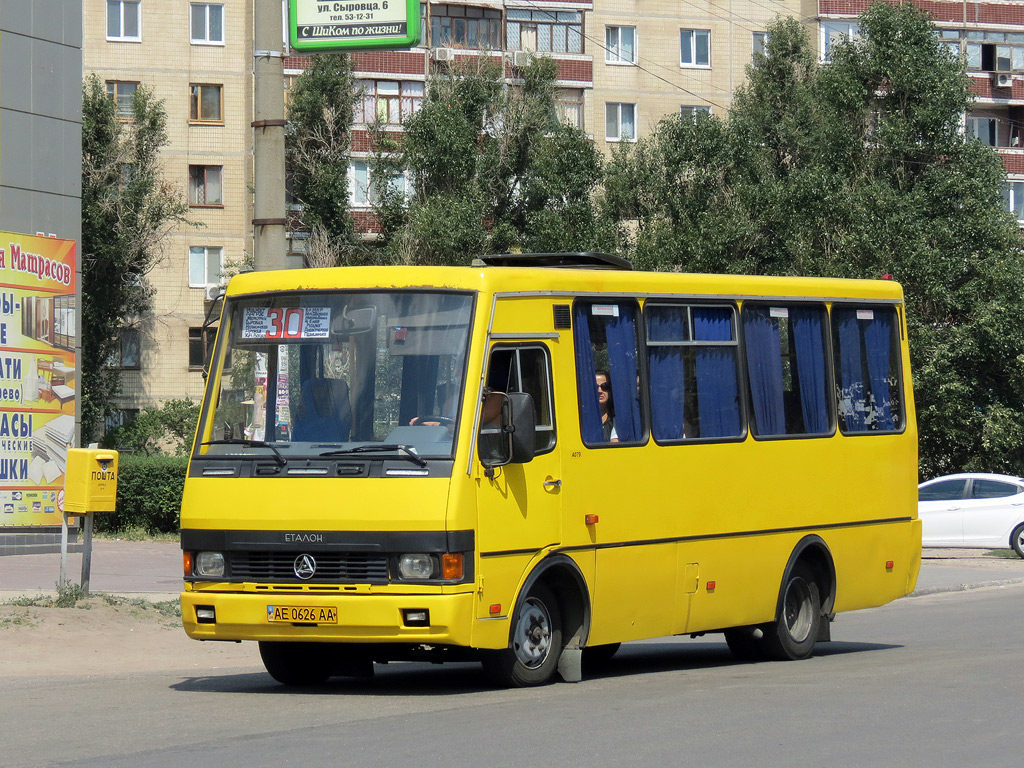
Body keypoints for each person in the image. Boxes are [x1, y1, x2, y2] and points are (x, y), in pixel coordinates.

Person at [596, 371, 618, 442]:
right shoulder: (583, 419)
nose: (599, 391)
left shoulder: (616, 417)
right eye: (595, 387)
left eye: (604, 386)